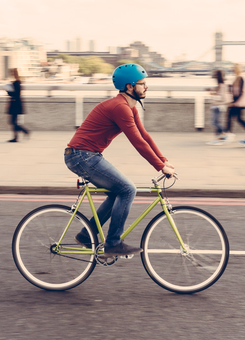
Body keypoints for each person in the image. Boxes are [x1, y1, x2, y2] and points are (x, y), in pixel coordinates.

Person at [64, 64, 175, 258]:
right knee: (127, 189)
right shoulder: (120, 107)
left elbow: (145, 136)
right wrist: (160, 166)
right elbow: (137, 143)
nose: (146, 87)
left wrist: (163, 160)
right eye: (142, 84)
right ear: (129, 87)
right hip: (81, 156)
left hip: (86, 155)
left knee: (118, 193)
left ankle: (85, 234)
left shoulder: (129, 108)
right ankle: (113, 244)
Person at [222, 63, 245, 142]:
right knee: (238, 118)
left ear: (238, 69)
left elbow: (241, 91)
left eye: (234, 68)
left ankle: (228, 134)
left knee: (230, 117)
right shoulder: (236, 78)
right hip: (236, 101)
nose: (232, 69)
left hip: (239, 102)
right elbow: (233, 89)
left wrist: (235, 102)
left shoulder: (241, 78)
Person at [6, 68, 29, 142]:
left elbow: (15, 94)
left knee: (12, 122)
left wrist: (8, 91)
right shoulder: (17, 82)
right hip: (16, 104)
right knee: (13, 122)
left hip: (15, 104)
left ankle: (24, 131)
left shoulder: (16, 83)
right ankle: (16, 137)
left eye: (11, 73)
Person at [206, 70, 228, 145]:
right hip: (217, 106)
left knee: (214, 122)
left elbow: (221, 97)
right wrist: (212, 91)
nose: (214, 76)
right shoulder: (220, 85)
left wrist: (213, 95)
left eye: (215, 75)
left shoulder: (221, 85)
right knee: (217, 122)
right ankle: (217, 138)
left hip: (218, 106)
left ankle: (226, 132)